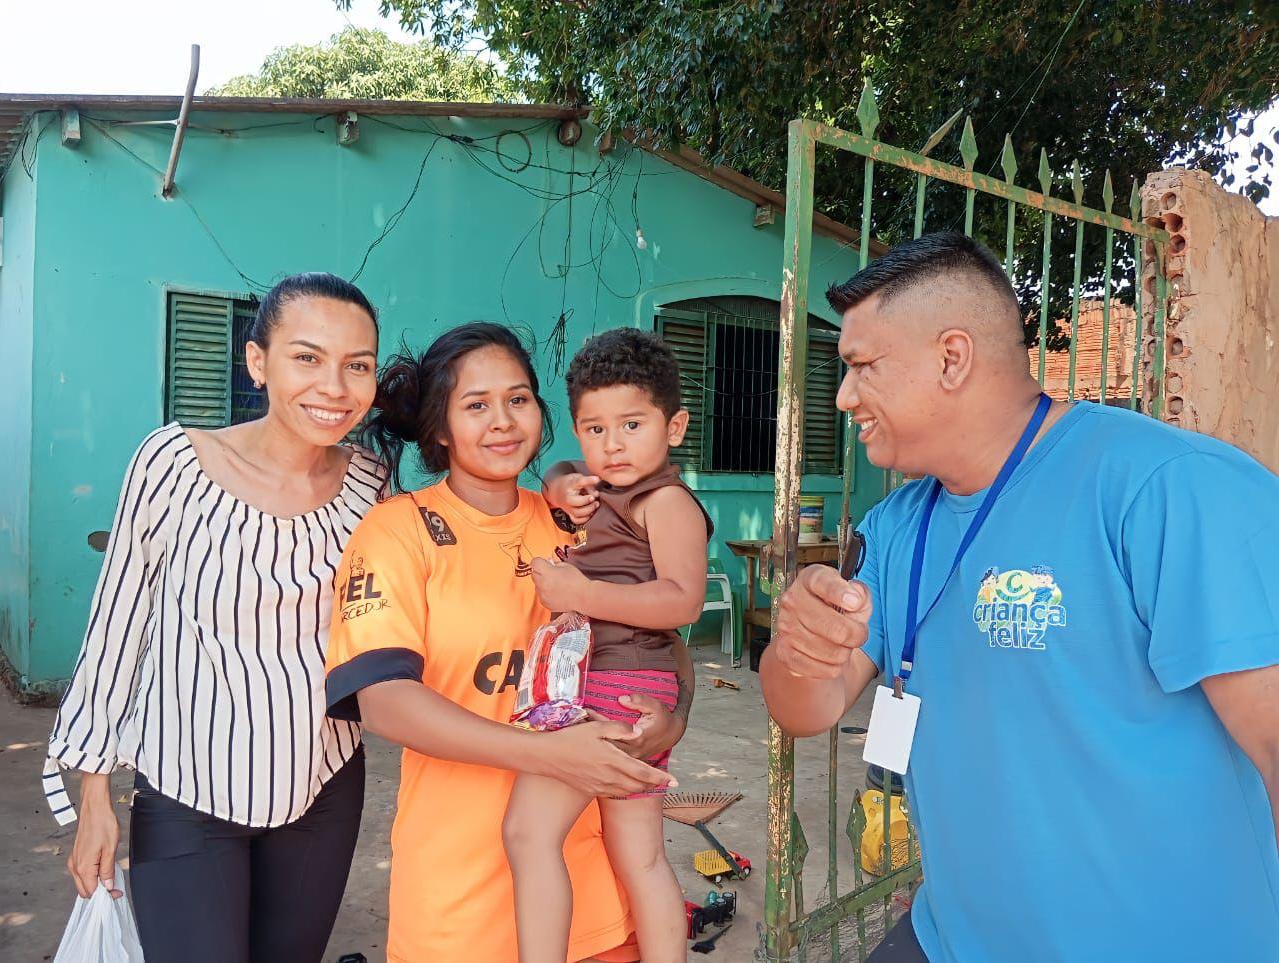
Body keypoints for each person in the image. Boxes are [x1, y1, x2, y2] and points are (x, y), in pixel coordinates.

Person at [761, 232, 1279, 962]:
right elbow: (806, 708)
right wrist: (797, 643)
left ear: (951, 357)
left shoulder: (1166, 488)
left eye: (861, 367)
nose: (844, 397)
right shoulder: (895, 528)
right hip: (953, 939)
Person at [324, 322, 693, 963]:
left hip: (595, 899)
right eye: (476, 405)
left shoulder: (573, 519)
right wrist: (551, 755)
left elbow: (659, 629)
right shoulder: (399, 531)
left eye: (518, 399)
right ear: (440, 427)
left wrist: (674, 717)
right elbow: (385, 703)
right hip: (458, 906)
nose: (502, 422)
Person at [45, 272, 386, 962]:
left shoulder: (371, 484)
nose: (335, 386)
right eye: (308, 357)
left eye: (358, 365)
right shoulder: (173, 462)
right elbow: (116, 629)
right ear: (257, 362)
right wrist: (94, 794)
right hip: (186, 787)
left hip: (321, 783)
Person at [503, 329, 711, 963]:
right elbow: (563, 472)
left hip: (617, 685)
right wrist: (562, 478)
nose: (612, 444)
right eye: (593, 430)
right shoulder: (603, 490)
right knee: (639, 855)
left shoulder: (666, 501)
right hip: (629, 685)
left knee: (528, 834)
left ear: (673, 427)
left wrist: (580, 592)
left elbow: (682, 602)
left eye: (630, 424)